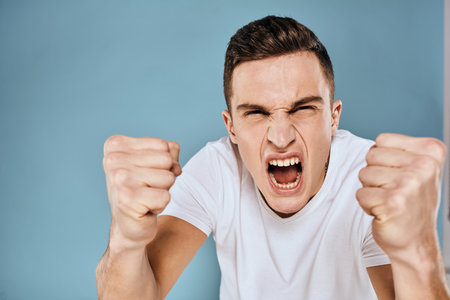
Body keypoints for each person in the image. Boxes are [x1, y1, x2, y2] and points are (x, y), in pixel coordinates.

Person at [95, 16, 450, 299]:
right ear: (231, 127)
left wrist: (417, 253)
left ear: (333, 117)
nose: (281, 138)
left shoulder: (369, 179)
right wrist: (125, 241)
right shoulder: (218, 169)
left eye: (303, 108)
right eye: (257, 113)